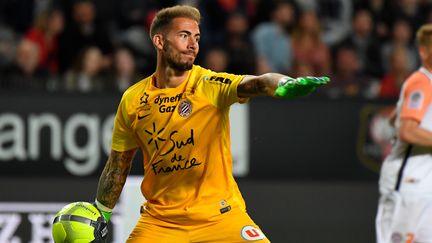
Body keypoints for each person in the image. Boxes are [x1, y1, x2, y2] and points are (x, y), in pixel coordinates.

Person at [91, 5, 329, 242]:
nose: (193, 44)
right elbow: (117, 165)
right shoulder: (132, 100)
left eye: (196, 37)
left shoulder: (208, 83)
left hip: (221, 216)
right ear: (159, 41)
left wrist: (284, 84)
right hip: (161, 223)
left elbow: (258, 82)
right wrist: (101, 212)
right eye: (184, 36)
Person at [376, 23, 432, 243]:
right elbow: (407, 131)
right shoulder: (421, 82)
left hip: (423, 183)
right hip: (405, 183)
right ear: (423, 51)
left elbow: (395, 118)